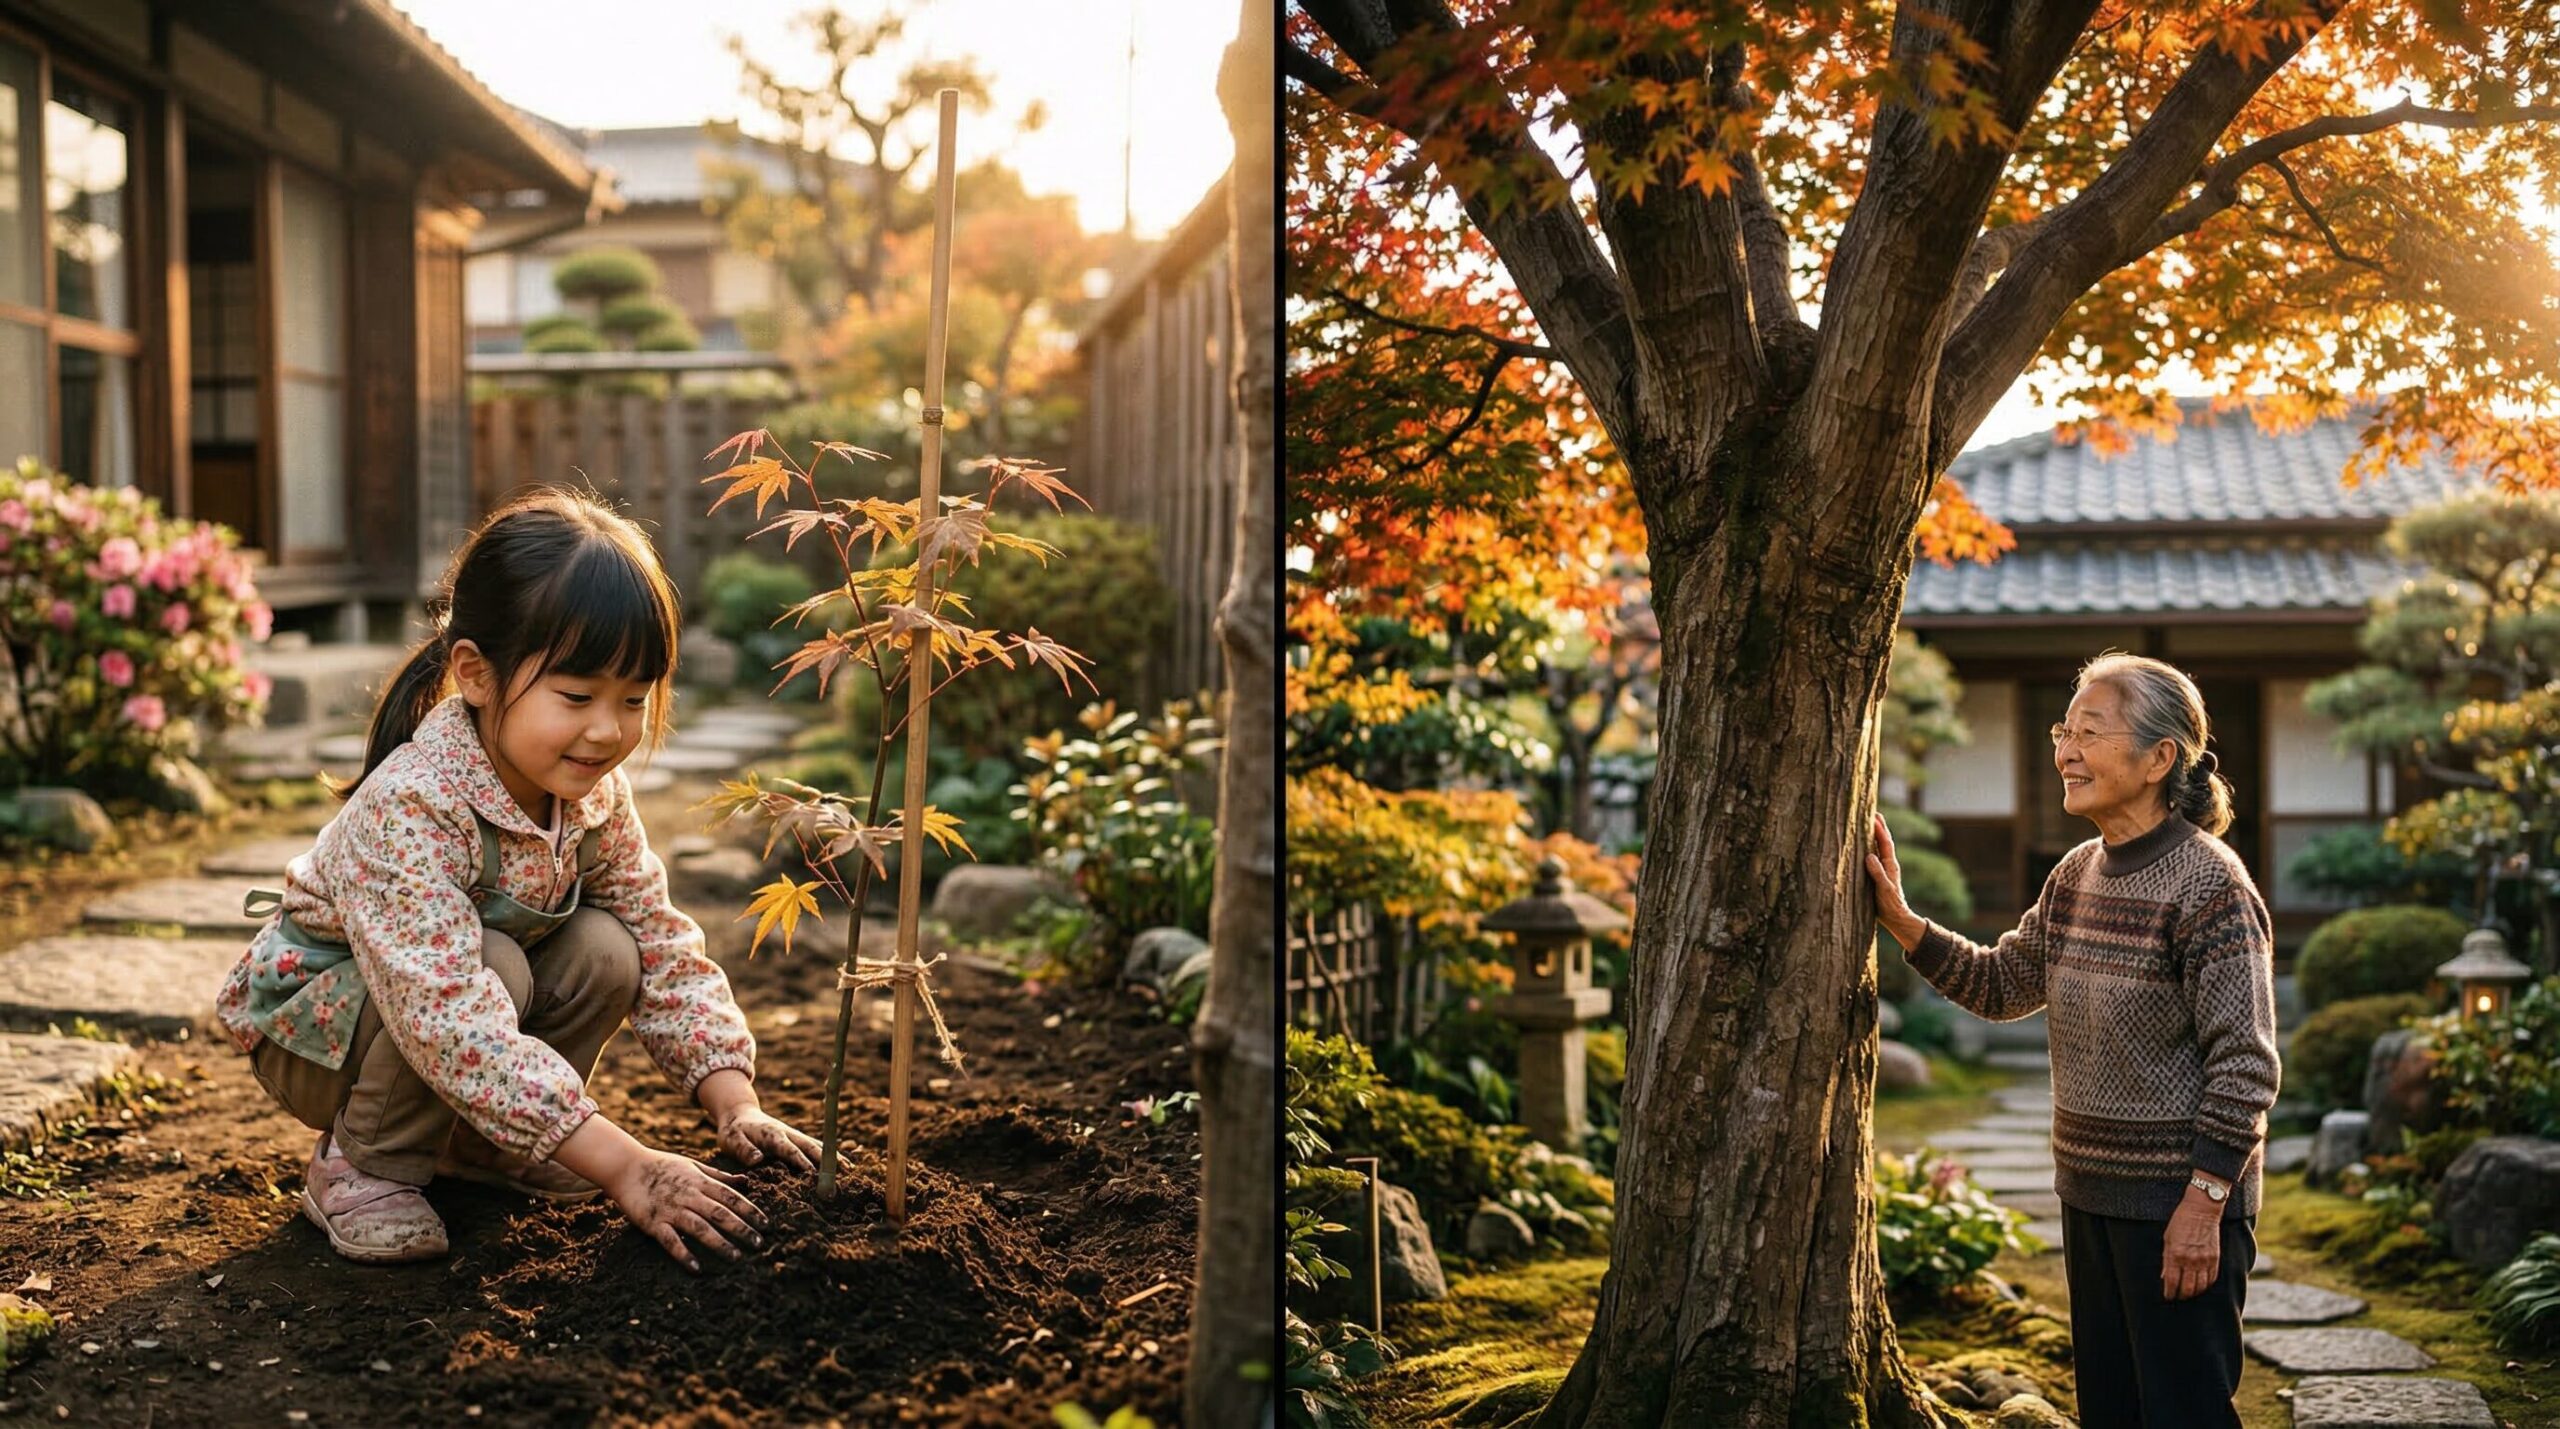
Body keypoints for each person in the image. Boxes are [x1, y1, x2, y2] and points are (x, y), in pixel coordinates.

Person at [213, 488, 822, 1268]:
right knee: (489, 963)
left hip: (452, 1017)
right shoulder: (413, 804)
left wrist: (733, 1099)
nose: (608, 729)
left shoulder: (593, 798)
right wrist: (627, 1164)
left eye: (632, 699)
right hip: (318, 1031)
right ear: (475, 672)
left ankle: (486, 1146)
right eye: (576, 696)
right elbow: (446, 1012)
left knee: (610, 947)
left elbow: (663, 943)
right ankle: (364, 1163)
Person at [1868, 651, 2279, 1429]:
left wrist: (2205, 1202)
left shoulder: (2209, 884)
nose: (2065, 751)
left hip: (2177, 1207)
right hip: (2088, 1193)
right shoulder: (2076, 873)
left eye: (2090, 731)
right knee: (2112, 1410)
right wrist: (1901, 920)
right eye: (2065, 729)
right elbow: (2001, 985)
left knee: (2184, 1412)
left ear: (2160, 758)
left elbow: (2246, 1065)